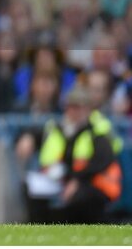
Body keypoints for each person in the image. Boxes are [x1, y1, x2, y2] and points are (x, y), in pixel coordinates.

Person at [15, 84, 122, 224]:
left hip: (93, 183)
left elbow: (103, 159)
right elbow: (39, 135)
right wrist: (28, 137)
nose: (73, 111)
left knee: (80, 198)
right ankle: (38, 230)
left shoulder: (97, 130)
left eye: (78, 107)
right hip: (62, 180)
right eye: (70, 106)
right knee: (31, 188)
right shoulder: (59, 127)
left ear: (88, 109)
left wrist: (77, 180)